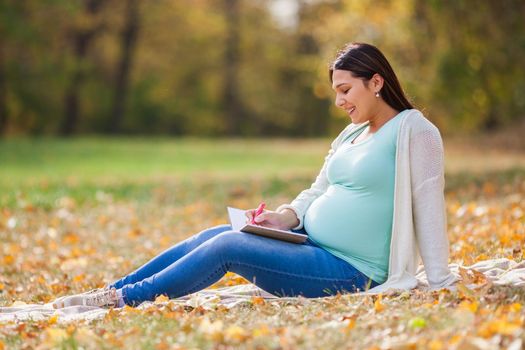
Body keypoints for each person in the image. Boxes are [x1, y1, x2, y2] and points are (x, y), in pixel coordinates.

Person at [53, 42, 459, 309]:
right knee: (213, 234)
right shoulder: (352, 132)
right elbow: (318, 189)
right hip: (309, 243)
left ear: (376, 82)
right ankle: (111, 289)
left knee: (228, 247)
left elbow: (428, 203)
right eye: (335, 91)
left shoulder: (414, 130)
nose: (339, 101)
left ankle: (125, 299)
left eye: (346, 90)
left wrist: (440, 281)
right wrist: (283, 217)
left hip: (350, 270)